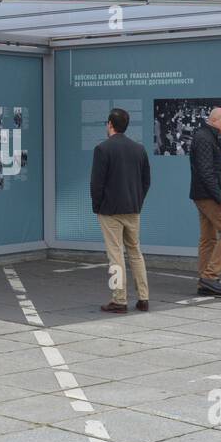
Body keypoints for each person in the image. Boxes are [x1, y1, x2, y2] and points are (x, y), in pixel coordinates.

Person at [89, 107, 151, 313]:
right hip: (133, 209)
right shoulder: (139, 149)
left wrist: (97, 206)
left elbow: (97, 183)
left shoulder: (103, 149)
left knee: (115, 254)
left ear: (110, 124)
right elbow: (146, 181)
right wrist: (137, 201)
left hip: (110, 210)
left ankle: (119, 299)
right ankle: (144, 297)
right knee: (135, 252)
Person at [189, 107, 221, 296]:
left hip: (204, 194)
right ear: (215, 120)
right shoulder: (205, 138)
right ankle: (210, 276)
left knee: (208, 238)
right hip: (209, 196)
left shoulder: (206, 136)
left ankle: (204, 281)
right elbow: (206, 171)